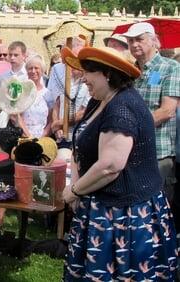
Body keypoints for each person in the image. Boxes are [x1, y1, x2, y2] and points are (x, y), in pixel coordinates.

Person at [61, 46, 178, 280]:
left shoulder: (122, 108)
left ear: (106, 74)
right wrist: (77, 183)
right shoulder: (100, 101)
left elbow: (110, 166)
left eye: (88, 73)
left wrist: (73, 191)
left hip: (124, 215)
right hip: (101, 205)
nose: (83, 79)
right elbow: (80, 145)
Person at [122, 22, 180, 203]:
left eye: (139, 39)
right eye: (130, 41)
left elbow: (167, 111)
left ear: (154, 41)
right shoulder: (129, 72)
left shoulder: (171, 67)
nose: (134, 45)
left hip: (158, 154)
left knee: (158, 209)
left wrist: (130, 129)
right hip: (129, 151)